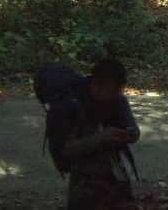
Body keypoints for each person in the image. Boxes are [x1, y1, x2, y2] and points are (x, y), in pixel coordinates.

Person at [48, 59, 140, 210]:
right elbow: (64, 149)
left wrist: (130, 134)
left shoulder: (118, 100)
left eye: (120, 90)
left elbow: (135, 132)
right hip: (85, 182)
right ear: (96, 85)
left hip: (116, 175)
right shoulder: (72, 105)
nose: (116, 95)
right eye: (113, 91)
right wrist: (102, 137)